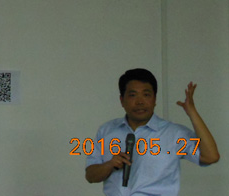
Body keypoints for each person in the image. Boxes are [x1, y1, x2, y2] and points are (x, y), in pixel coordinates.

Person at [85, 68, 219, 195]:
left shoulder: (174, 133)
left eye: (146, 95)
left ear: (154, 99)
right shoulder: (107, 130)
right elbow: (90, 175)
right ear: (122, 100)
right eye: (133, 95)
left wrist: (192, 112)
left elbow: (210, 157)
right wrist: (110, 165)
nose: (140, 102)